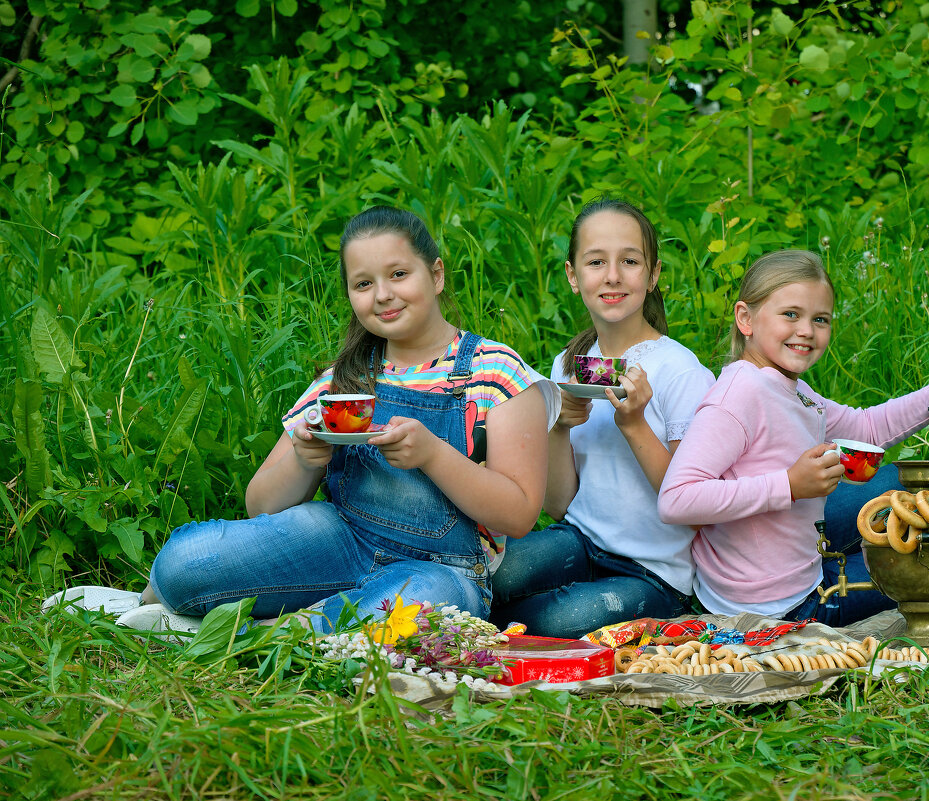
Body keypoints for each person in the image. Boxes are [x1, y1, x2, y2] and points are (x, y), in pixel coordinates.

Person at [44, 207, 554, 633]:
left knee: (417, 612)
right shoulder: (343, 380)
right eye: (363, 283)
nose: (382, 295)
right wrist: (308, 460)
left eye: (399, 274)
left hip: (442, 567)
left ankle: (267, 631)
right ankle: (246, 620)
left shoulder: (495, 371)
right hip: (340, 538)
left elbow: (519, 513)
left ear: (436, 275)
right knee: (183, 563)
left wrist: (435, 456)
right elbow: (260, 504)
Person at [658, 249, 929, 626]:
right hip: (778, 606)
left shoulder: (789, 388)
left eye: (820, 319)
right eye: (790, 315)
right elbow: (676, 500)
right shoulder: (739, 396)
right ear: (746, 318)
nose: (806, 331)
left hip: (795, 564)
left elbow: (866, 429)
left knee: (902, 487)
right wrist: (789, 485)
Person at [488, 199, 716, 640]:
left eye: (629, 261)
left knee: (556, 623)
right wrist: (560, 425)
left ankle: (496, 630)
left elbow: (694, 509)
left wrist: (634, 425)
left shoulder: (681, 371)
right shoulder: (568, 365)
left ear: (652, 275)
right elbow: (557, 505)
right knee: (488, 574)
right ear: (574, 276)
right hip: (579, 540)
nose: (613, 276)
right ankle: (493, 624)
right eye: (596, 262)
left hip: (652, 572)